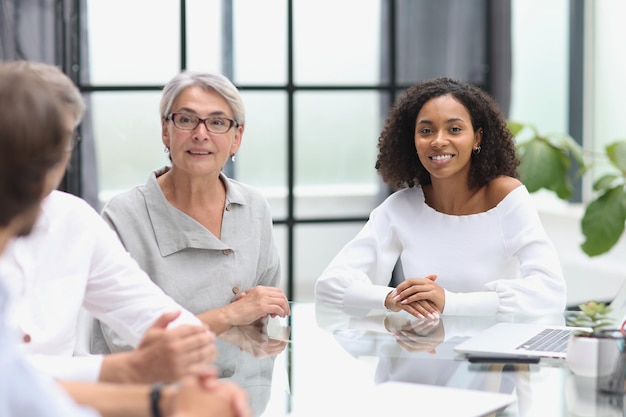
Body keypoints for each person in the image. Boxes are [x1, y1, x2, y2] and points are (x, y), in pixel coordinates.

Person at [0, 61, 250, 417]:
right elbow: (11, 380)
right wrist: (131, 374)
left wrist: (187, 357)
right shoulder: (124, 210)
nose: (51, 162)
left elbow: (152, 312)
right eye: (34, 145)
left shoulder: (74, 219)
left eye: (63, 142)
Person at [315, 77, 566, 318]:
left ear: (477, 138)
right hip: (421, 349)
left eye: (454, 129)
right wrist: (392, 299)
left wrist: (450, 301)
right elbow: (329, 286)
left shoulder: (506, 197)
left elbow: (550, 293)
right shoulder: (402, 207)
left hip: (489, 357)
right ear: (412, 140)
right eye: (426, 131)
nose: (438, 141)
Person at [94, 70, 290, 354]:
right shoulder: (123, 216)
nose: (201, 134)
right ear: (166, 130)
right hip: (155, 392)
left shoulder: (254, 207)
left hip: (244, 389)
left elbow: (268, 315)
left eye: (217, 123)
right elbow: (124, 341)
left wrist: (261, 318)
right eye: (186, 120)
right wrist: (229, 316)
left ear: (237, 137)